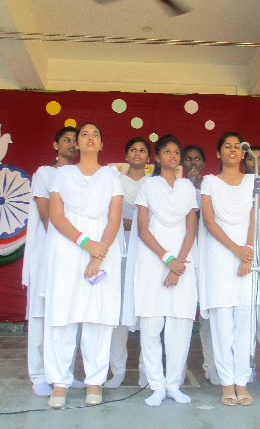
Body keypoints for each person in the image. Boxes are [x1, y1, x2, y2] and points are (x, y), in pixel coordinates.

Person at [43, 122, 123, 409]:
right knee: (63, 313)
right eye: (84, 134)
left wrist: (98, 255)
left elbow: (114, 219)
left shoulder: (112, 176)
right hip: (68, 248)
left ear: (102, 144)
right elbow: (56, 216)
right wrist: (85, 243)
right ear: (76, 143)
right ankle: (60, 382)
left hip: (103, 249)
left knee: (97, 316)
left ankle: (94, 381)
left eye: (96, 134)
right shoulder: (61, 175)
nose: (90, 138)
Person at [132, 134, 198, 407]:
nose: (173, 156)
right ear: (157, 157)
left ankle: (173, 384)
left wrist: (178, 263)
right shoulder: (148, 185)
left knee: (180, 325)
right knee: (151, 326)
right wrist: (167, 259)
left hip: (183, 262)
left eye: (176, 152)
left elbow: (191, 229)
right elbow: (142, 229)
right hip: (153, 261)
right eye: (167, 152)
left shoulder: (187, 187)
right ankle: (156, 385)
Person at [21, 127, 83, 397]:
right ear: (55, 144)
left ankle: (63, 373)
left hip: (74, 251)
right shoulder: (44, 174)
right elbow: (47, 217)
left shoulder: (81, 176)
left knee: (69, 314)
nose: (72, 144)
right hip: (48, 251)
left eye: (75, 140)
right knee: (41, 313)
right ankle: (38, 375)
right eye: (67, 140)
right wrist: (67, 245)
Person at [199, 132, 254, 406]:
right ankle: (226, 382)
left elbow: (255, 219)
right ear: (218, 153)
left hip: (247, 257)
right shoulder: (209, 182)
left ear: (243, 153)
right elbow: (209, 222)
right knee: (222, 323)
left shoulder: (253, 182)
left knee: (245, 321)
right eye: (227, 146)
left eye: (237, 147)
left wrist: (248, 253)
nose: (233, 150)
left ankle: (242, 381)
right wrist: (236, 250)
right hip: (220, 257)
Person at [105, 137, 150, 389]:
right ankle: (118, 371)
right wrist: (134, 225)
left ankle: (146, 372)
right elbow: (109, 215)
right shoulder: (116, 182)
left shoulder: (153, 183)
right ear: (126, 155)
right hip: (120, 248)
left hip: (146, 250)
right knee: (120, 309)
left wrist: (138, 226)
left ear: (149, 157)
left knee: (147, 310)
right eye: (133, 149)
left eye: (142, 150)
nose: (138, 153)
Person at [182, 145, 220, 385]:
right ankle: (176, 367)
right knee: (182, 314)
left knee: (208, 313)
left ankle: (212, 365)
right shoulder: (176, 187)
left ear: (204, 163)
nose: (193, 163)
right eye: (188, 159)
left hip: (207, 256)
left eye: (197, 159)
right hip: (183, 256)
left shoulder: (211, 187)